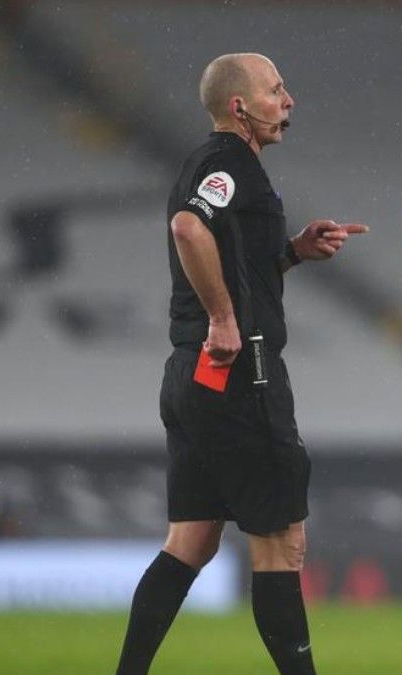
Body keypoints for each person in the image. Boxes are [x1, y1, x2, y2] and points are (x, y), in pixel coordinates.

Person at [114, 53, 367, 675]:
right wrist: (225, 319)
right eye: (276, 90)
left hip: (191, 375)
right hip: (240, 372)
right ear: (240, 107)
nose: (289, 100)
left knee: (192, 541)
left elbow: (228, 254)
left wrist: (292, 253)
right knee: (282, 543)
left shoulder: (217, 166)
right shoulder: (228, 163)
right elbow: (188, 228)